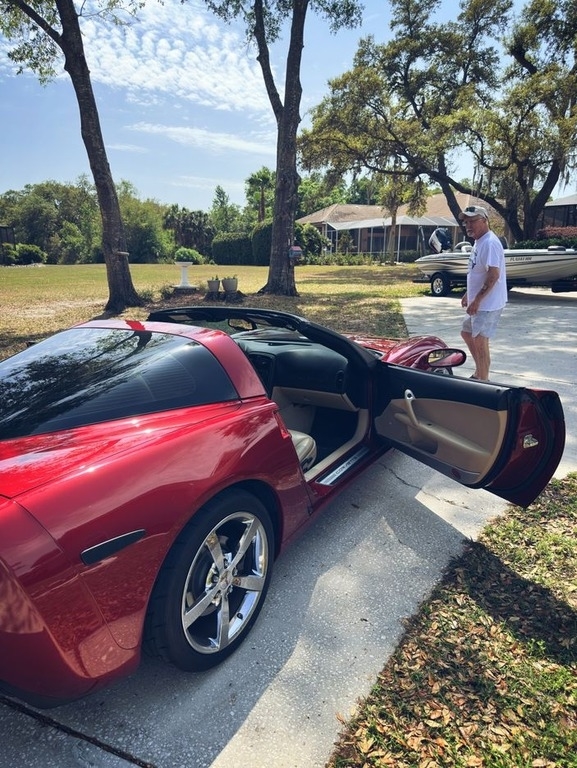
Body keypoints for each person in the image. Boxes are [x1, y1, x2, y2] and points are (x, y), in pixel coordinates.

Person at [459, 205, 507, 381]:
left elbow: (493, 275)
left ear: (485, 220)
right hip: (479, 301)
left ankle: (483, 380)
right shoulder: (479, 241)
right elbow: (477, 272)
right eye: (466, 222)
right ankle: (480, 371)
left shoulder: (490, 243)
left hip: (488, 303)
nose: (468, 225)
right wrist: (468, 293)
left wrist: (477, 300)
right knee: (467, 333)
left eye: (472, 221)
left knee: (480, 339)